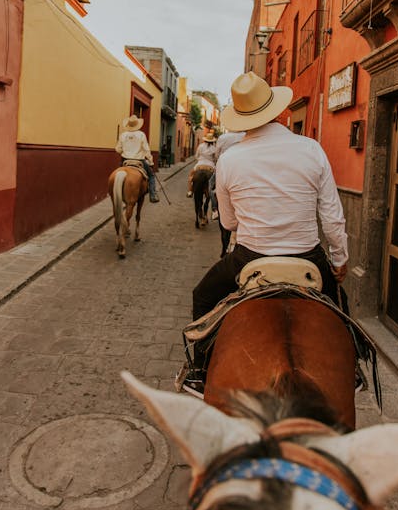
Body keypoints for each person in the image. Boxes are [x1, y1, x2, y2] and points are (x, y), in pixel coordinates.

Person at [182, 72, 348, 397]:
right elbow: (332, 216)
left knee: (202, 296)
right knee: (339, 309)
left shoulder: (230, 159)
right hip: (308, 258)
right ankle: (352, 368)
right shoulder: (312, 149)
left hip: (250, 258)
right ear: (277, 110)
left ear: (243, 119)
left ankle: (200, 371)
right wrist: (339, 261)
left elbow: (229, 224)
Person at [115, 115, 159, 202]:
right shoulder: (141, 135)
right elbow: (146, 149)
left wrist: (125, 151)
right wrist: (151, 161)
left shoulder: (123, 135)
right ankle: (153, 195)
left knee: (117, 174)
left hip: (125, 160)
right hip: (139, 161)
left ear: (128, 124)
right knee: (151, 176)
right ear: (137, 124)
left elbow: (118, 149)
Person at [186, 132, 217, 197]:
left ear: (205, 139)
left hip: (200, 164)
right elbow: (215, 158)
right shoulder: (214, 148)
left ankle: (190, 191)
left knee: (191, 176)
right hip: (211, 166)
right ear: (212, 141)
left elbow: (196, 156)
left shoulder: (201, 146)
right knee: (216, 178)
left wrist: (200, 160)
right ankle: (214, 191)